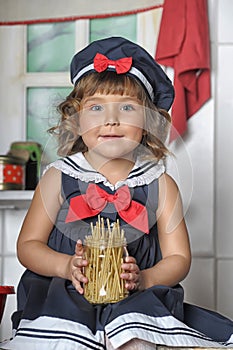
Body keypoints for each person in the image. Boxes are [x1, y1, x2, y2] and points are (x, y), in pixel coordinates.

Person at [1, 36, 233, 350]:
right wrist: (64, 266)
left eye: (126, 107)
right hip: (65, 300)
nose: (111, 119)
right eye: (96, 107)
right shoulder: (58, 177)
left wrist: (146, 279)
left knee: (137, 339)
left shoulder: (160, 184)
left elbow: (179, 257)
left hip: (137, 299)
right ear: (76, 117)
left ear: (149, 120)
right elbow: (28, 246)